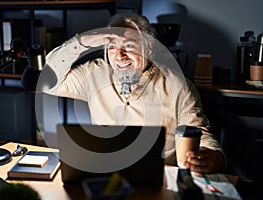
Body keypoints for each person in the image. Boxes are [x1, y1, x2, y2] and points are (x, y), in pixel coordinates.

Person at [43, 13, 225, 174]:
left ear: (149, 47)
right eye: (113, 47)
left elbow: (199, 132)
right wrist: (82, 41)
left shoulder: (177, 86)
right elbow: (47, 80)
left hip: (157, 178)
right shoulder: (94, 74)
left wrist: (213, 156)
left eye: (129, 45)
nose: (120, 56)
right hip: (106, 174)